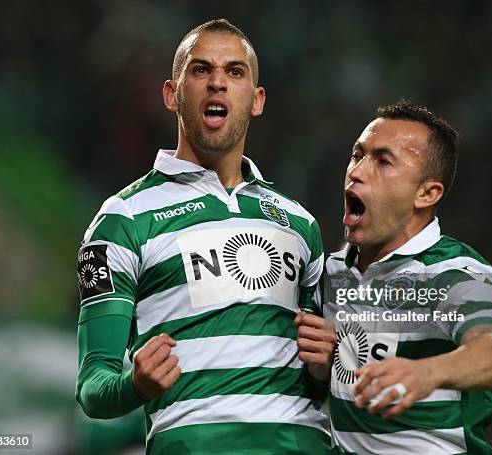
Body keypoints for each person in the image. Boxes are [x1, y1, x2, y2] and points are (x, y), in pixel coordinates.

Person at [75, 19, 333, 454]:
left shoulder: (300, 222)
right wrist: (134, 385)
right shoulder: (121, 220)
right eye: (200, 70)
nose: (217, 82)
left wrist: (329, 367)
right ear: (172, 94)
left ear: (257, 99)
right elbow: (92, 386)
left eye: (235, 72)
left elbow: (316, 373)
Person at [323, 101, 492, 454]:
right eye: (358, 155)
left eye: (383, 161)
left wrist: (426, 373)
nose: (357, 170)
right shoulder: (334, 271)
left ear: (426, 194)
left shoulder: (456, 273)